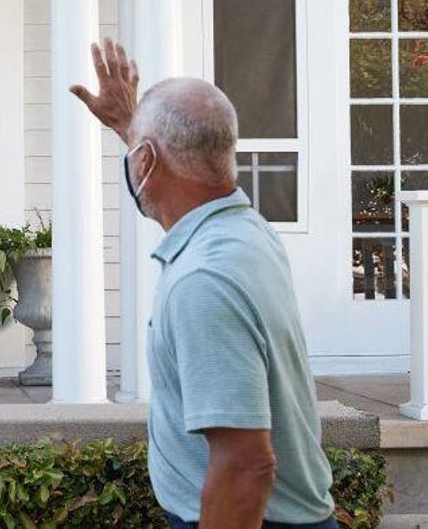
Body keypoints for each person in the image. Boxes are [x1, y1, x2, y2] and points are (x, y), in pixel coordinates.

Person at [71, 40, 337, 529]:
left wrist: (143, 142)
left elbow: (246, 466)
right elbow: (176, 176)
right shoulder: (245, 231)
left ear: (145, 162)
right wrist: (132, 127)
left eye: (137, 153)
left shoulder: (204, 281)